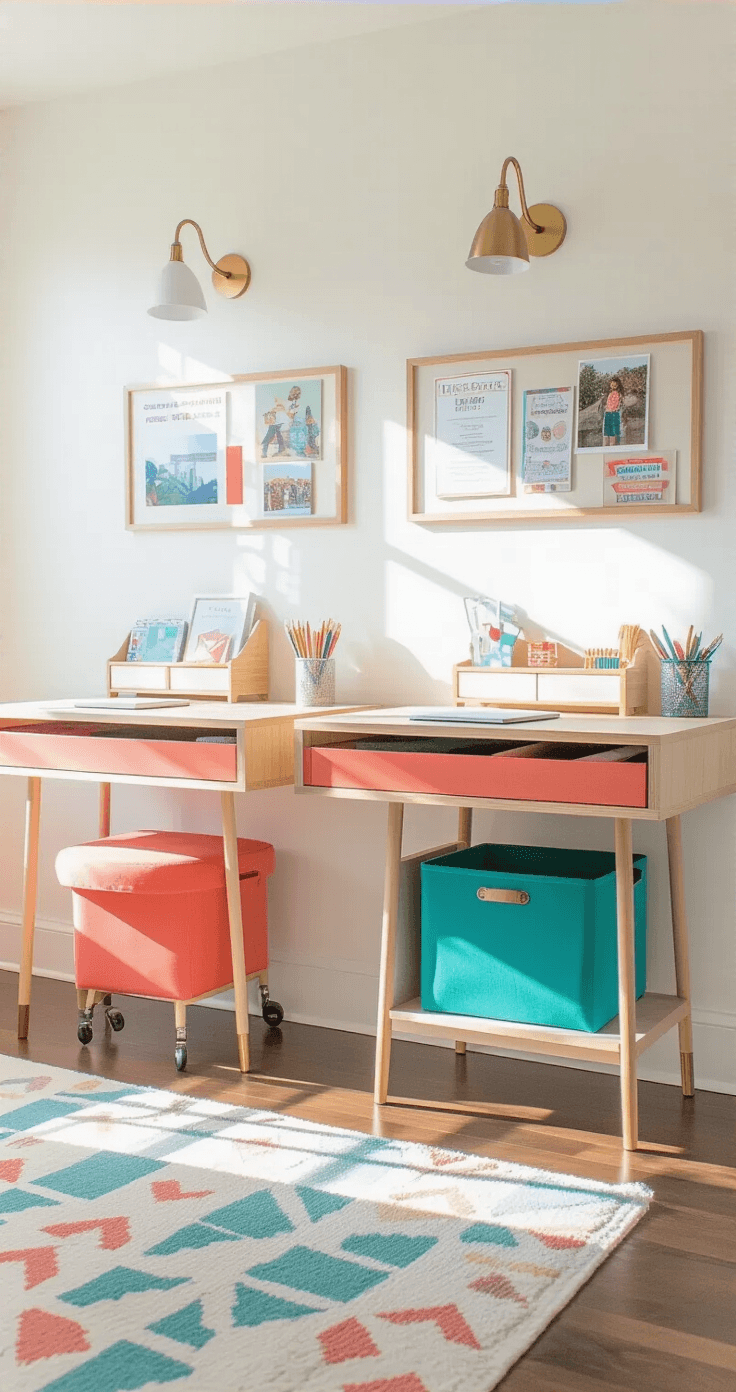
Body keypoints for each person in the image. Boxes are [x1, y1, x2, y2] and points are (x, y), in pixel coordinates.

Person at [601, 376, 624, 447]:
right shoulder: (610, 393)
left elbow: (615, 405)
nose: (613, 386)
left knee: (612, 435)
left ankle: (611, 446)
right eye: (612, 384)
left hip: (613, 414)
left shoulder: (616, 393)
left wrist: (610, 409)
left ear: (618, 385)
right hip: (608, 413)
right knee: (607, 434)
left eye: (615, 385)